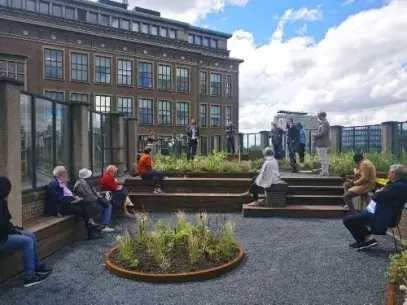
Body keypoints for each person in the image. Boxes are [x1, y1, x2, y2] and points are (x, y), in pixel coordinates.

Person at [0, 176, 53, 287]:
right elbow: (2, 225)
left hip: (4, 233)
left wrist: (15, 229)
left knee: (31, 236)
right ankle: (29, 276)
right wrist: (15, 231)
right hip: (2, 238)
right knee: (27, 241)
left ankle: (37, 267)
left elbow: (5, 222)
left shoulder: (1, 202)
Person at [343, 164, 407, 251]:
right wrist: (380, 192)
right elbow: (381, 195)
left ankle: (365, 240)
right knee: (353, 215)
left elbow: (377, 196)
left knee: (348, 219)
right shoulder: (399, 185)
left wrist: (379, 192)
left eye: (389, 173)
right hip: (381, 213)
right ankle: (366, 239)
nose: (388, 174)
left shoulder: (397, 187)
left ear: (393, 174)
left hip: (381, 217)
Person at [44, 166, 102, 240]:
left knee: (87, 204)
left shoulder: (62, 183)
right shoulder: (53, 184)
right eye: (65, 172)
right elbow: (58, 199)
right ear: (60, 173)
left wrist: (75, 197)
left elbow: (70, 193)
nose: (66, 174)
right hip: (60, 208)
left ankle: (91, 228)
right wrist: (73, 198)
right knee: (86, 207)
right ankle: (91, 229)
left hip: (68, 204)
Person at [74, 168, 114, 233]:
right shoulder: (82, 184)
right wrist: (99, 198)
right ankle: (103, 226)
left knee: (106, 203)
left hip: (89, 203)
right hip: (88, 204)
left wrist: (99, 196)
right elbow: (89, 196)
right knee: (108, 206)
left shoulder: (83, 182)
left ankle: (102, 225)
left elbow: (92, 194)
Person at [312, 111, 331, 176]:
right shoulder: (323, 123)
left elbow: (323, 133)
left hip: (322, 143)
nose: (318, 117)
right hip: (321, 143)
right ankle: (324, 171)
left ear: (321, 116)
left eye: (318, 116)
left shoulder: (325, 123)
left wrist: (315, 135)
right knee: (322, 158)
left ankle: (325, 172)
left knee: (323, 158)